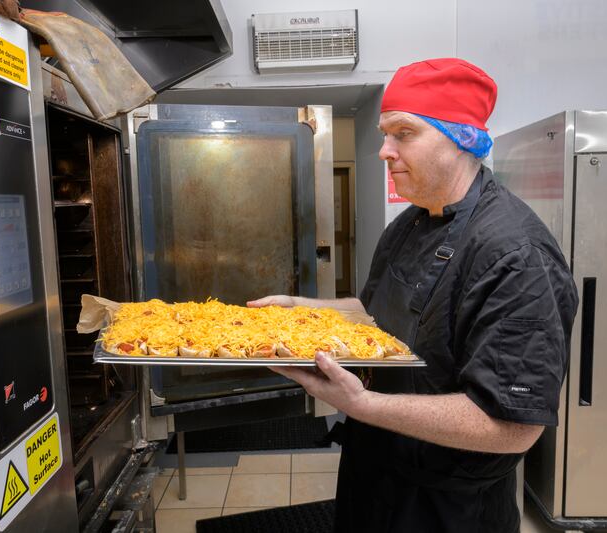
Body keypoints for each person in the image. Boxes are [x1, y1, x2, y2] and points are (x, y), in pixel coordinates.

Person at [248, 58, 579, 533]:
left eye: (403, 133)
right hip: (376, 470)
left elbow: (512, 427)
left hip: (447, 506)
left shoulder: (514, 253)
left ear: (462, 137)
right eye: (385, 134)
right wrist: (305, 308)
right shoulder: (412, 221)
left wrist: (362, 404)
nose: (383, 151)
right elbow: (378, 314)